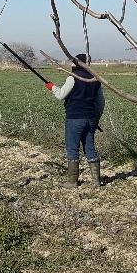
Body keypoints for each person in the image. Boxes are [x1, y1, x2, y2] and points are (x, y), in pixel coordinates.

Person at [47, 53, 105, 187]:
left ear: (79, 64)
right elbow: (101, 103)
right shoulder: (95, 79)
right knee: (90, 148)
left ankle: (72, 182)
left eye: (74, 62)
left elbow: (61, 95)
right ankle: (96, 181)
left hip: (74, 118)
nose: (72, 64)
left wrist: (52, 87)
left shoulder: (72, 77)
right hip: (90, 118)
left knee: (73, 149)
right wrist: (95, 120)